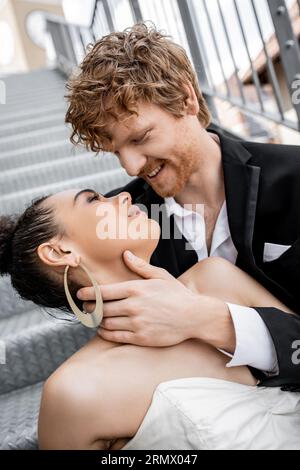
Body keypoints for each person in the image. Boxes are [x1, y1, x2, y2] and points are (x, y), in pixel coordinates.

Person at [65, 23, 300, 391]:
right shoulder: (122, 223)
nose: (130, 166)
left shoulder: (294, 176)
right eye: (115, 152)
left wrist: (209, 319)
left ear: (187, 99)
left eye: (141, 137)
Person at [0, 190, 299, 450]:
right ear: (59, 252)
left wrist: (205, 319)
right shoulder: (74, 392)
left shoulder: (216, 277)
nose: (124, 196)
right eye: (93, 199)